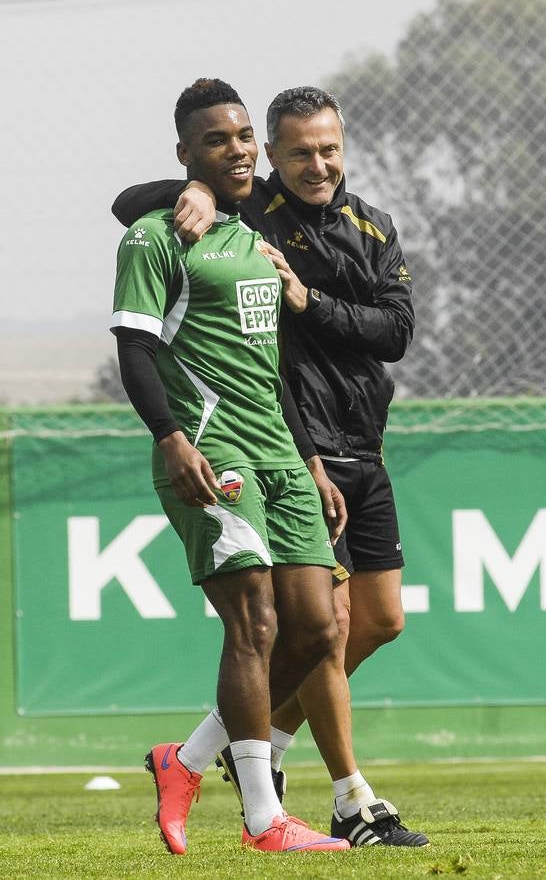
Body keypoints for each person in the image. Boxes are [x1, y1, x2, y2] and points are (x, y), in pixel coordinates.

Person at [112, 86, 429, 849]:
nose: (314, 164)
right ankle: (330, 801)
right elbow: (130, 207)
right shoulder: (250, 215)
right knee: (285, 623)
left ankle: (198, 757)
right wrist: (185, 185)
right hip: (254, 443)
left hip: (338, 447)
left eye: (328, 149)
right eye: (298, 151)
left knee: (355, 625)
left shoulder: (371, 226)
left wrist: (309, 300)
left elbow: (396, 330)